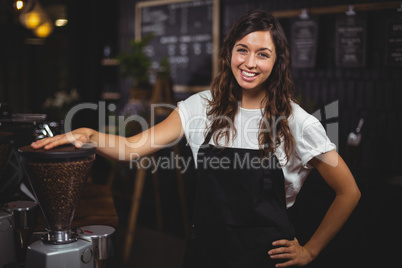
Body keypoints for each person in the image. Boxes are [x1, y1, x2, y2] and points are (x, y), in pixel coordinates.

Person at [32, 9, 360, 268]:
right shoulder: (200, 107)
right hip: (206, 256)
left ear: (277, 62)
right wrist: (88, 133)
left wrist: (310, 251)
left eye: (262, 54)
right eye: (242, 50)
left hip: (264, 260)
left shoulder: (296, 121)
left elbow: (348, 191)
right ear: (229, 53)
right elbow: (133, 147)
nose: (249, 62)